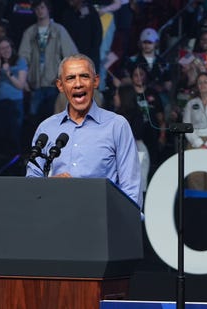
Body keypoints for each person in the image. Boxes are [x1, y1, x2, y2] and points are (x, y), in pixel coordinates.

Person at [25, 54, 142, 207]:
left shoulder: (116, 125)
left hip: (101, 220)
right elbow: (31, 185)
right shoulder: (46, 128)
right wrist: (50, 184)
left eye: (84, 76)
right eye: (70, 78)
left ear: (96, 81)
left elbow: (131, 188)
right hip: (55, 218)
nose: (78, 84)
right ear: (60, 86)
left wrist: (125, 223)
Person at [18, 0, 79, 122]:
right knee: (34, 120)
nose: (40, 11)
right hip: (35, 83)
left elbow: (71, 55)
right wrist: (23, 80)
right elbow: (23, 57)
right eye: (37, 8)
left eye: (42, 7)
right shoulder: (30, 32)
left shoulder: (59, 30)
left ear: (48, 9)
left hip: (53, 83)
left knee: (54, 118)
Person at [0, 37, 28, 160]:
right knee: (0, 134)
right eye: (2, 48)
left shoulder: (20, 61)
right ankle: (2, 163)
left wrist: (8, 73)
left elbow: (20, 85)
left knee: (14, 134)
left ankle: (15, 163)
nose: (5, 50)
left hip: (15, 102)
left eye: (7, 47)